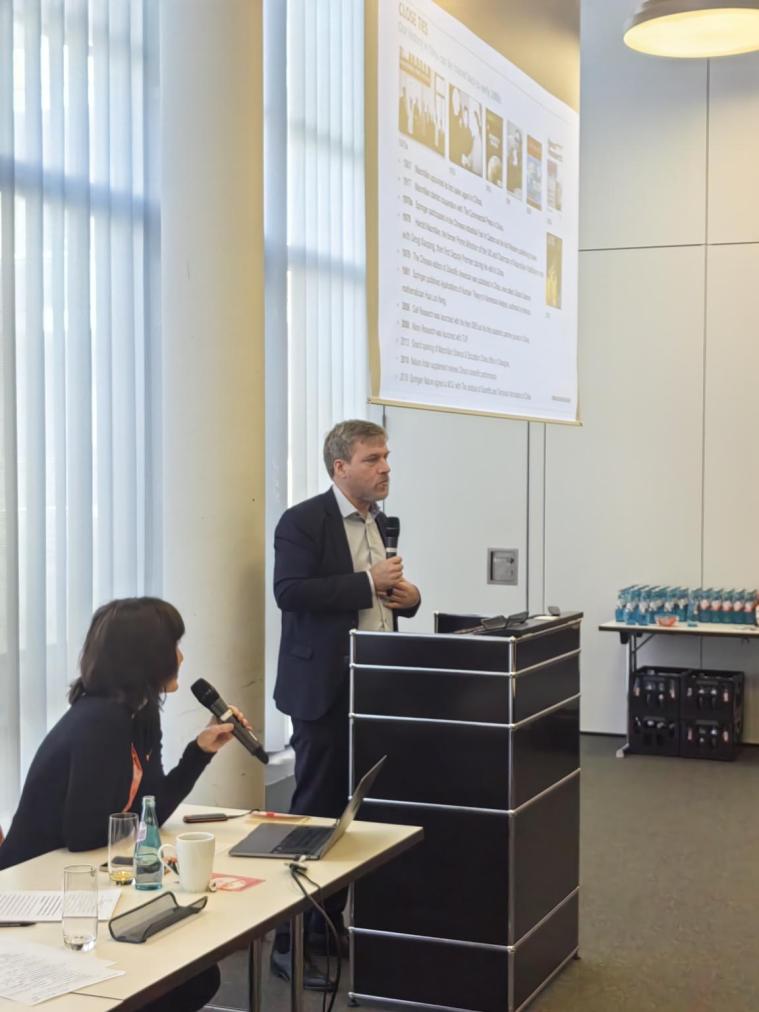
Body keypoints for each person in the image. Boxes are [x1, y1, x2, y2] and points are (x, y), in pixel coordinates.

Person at [0, 597, 248, 1012]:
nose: (181, 657)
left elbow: (152, 810)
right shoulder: (100, 720)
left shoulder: (141, 714)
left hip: (77, 884)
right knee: (185, 984)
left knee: (197, 978)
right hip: (31, 894)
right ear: (146, 656)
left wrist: (200, 750)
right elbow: (83, 835)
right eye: (173, 646)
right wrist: (139, 841)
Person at [271, 419, 420, 988]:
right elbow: (290, 592)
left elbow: (381, 598)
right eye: (372, 459)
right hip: (324, 690)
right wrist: (366, 582)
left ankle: (325, 928)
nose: (385, 468)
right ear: (340, 467)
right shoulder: (302, 521)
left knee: (357, 817)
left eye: (386, 456)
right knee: (315, 815)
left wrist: (409, 598)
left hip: (376, 688)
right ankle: (287, 941)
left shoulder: (381, 522)